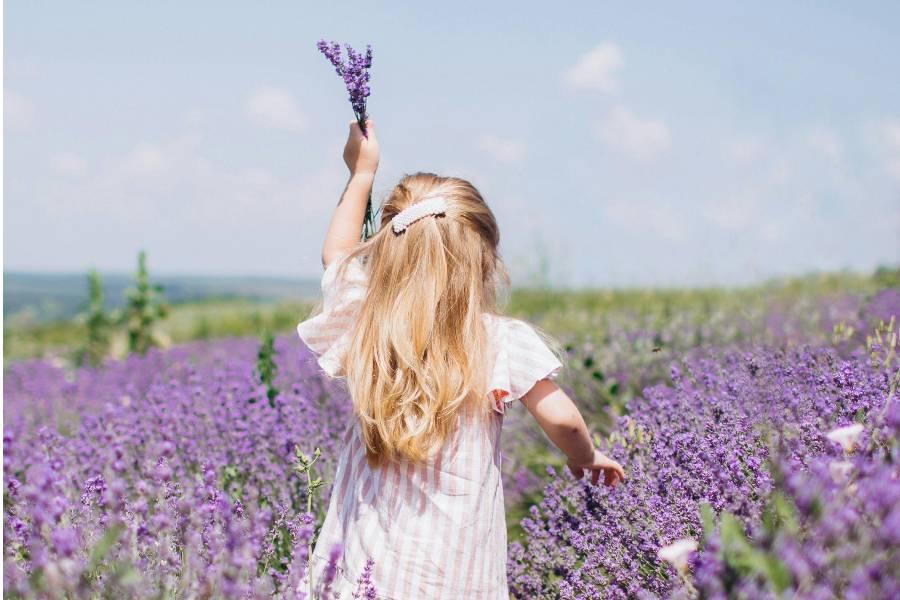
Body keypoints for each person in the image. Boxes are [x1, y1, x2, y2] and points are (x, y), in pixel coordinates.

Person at [296, 120, 625, 599]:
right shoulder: (500, 341)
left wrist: (361, 173)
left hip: (368, 570)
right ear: (485, 262)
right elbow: (563, 419)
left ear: (387, 254)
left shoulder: (370, 326)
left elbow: (337, 256)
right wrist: (587, 456)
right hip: (455, 570)